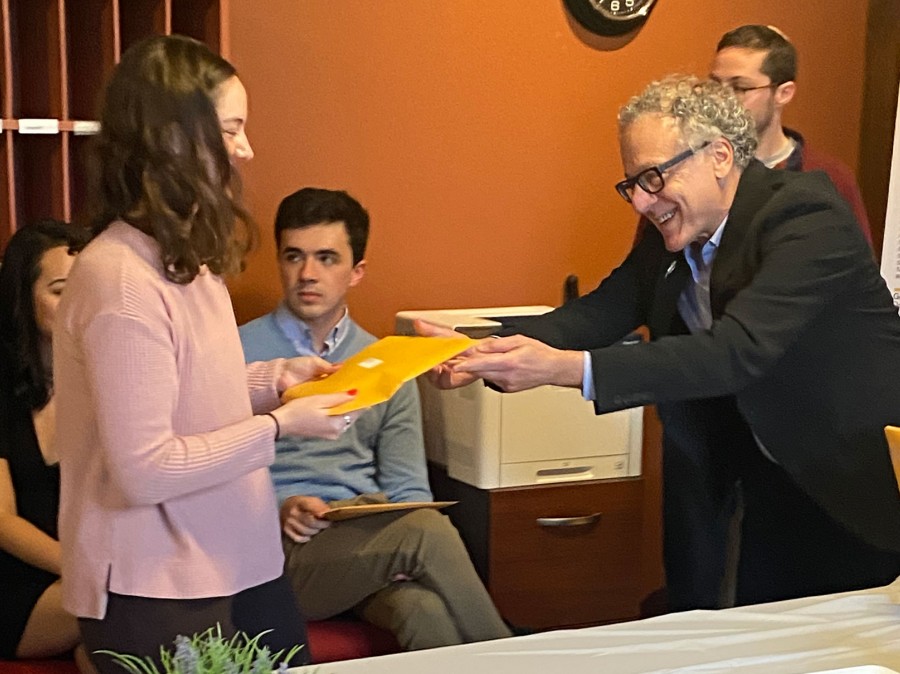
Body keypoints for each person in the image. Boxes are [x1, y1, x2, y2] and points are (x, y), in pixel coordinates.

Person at [419, 75, 900, 610]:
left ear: (719, 155)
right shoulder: (671, 234)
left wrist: (564, 369)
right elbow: (602, 311)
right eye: (631, 185)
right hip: (755, 477)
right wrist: (476, 347)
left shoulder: (804, 218)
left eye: (653, 177)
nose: (642, 202)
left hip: (848, 481)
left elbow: (733, 352)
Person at [53, 35, 361, 674]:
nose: (246, 149)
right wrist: (280, 427)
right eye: (232, 130)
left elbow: (190, 390)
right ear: (171, 139)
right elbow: (145, 468)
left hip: (235, 554)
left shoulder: (183, 258)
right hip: (157, 583)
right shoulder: (118, 279)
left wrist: (278, 379)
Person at [239, 187, 512, 651]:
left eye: (326, 258)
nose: (307, 274)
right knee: (426, 533)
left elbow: (408, 489)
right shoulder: (237, 354)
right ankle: (520, 660)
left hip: (365, 542)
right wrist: (282, 506)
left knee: (421, 610)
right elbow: (211, 472)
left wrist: (388, 529)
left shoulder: (386, 361)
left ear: (356, 272)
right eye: (294, 256)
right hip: (275, 552)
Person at [0, 220, 93, 672]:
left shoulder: (104, 376)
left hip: (87, 566)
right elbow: (1, 521)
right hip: (17, 577)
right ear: (23, 298)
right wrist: (83, 570)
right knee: (116, 602)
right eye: (60, 291)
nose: (79, 305)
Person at [710, 24, 872, 246]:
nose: (721, 100)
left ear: (783, 93)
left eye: (740, 88)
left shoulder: (829, 177)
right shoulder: (695, 170)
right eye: (715, 85)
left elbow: (856, 272)